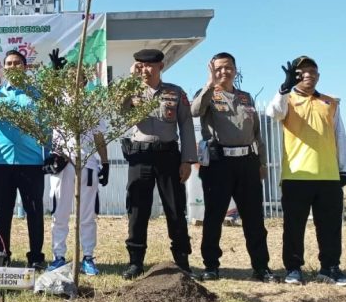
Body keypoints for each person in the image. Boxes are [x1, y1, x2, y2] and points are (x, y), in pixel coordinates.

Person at [191, 52, 278, 282]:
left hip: (247, 163)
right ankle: (211, 266)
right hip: (219, 163)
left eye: (227, 67)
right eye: (218, 68)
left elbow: (258, 134)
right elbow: (195, 110)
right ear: (211, 70)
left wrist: (261, 163)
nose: (223, 72)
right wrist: (209, 83)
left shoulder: (246, 98)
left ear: (235, 69)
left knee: (253, 218)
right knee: (213, 217)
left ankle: (261, 267)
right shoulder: (208, 95)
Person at [266, 56, 346, 286]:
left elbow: (340, 136)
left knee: (330, 226)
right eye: (302, 72)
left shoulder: (330, 102)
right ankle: (294, 268)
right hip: (297, 175)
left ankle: (330, 267)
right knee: (294, 226)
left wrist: (344, 168)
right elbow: (273, 112)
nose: (308, 75)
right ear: (295, 76)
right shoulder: (287, 99)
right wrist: (283, 88)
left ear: (318, 75)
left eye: (312, 71)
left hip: (328, 175)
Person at [121, 49, 196, 279]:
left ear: (160, 66)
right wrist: (129, 82)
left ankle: (182, 259)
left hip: (168, 156)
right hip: (140, 155)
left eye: (149, 65)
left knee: (175, 208)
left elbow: (186, 126)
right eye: (140, 65)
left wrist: (187, 160)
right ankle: (135, 261)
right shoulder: (130, 91)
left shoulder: (175, 92)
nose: (144, 70)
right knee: (137, 209)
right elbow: (118, 111)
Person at [0, 49, 47, 269]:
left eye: (17, 63)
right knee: (3, 213)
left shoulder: (36, 94)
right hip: (3, 164)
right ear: (4, 68)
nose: (13, 67)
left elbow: (47, 127)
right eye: (9, 63)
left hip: (32, 163)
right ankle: (1, 255)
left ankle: (35, 256)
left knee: (34, 213)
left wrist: (51, 153)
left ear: (25, 67)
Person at [47, 120, 110, 276]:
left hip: (88, 165)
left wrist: (105, 162)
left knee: (88, 216)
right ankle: (58, 257)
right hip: (62, 165)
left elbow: (99, 136)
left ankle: (88, 258)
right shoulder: (56, 99)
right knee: (60, 214)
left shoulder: (92, 103)